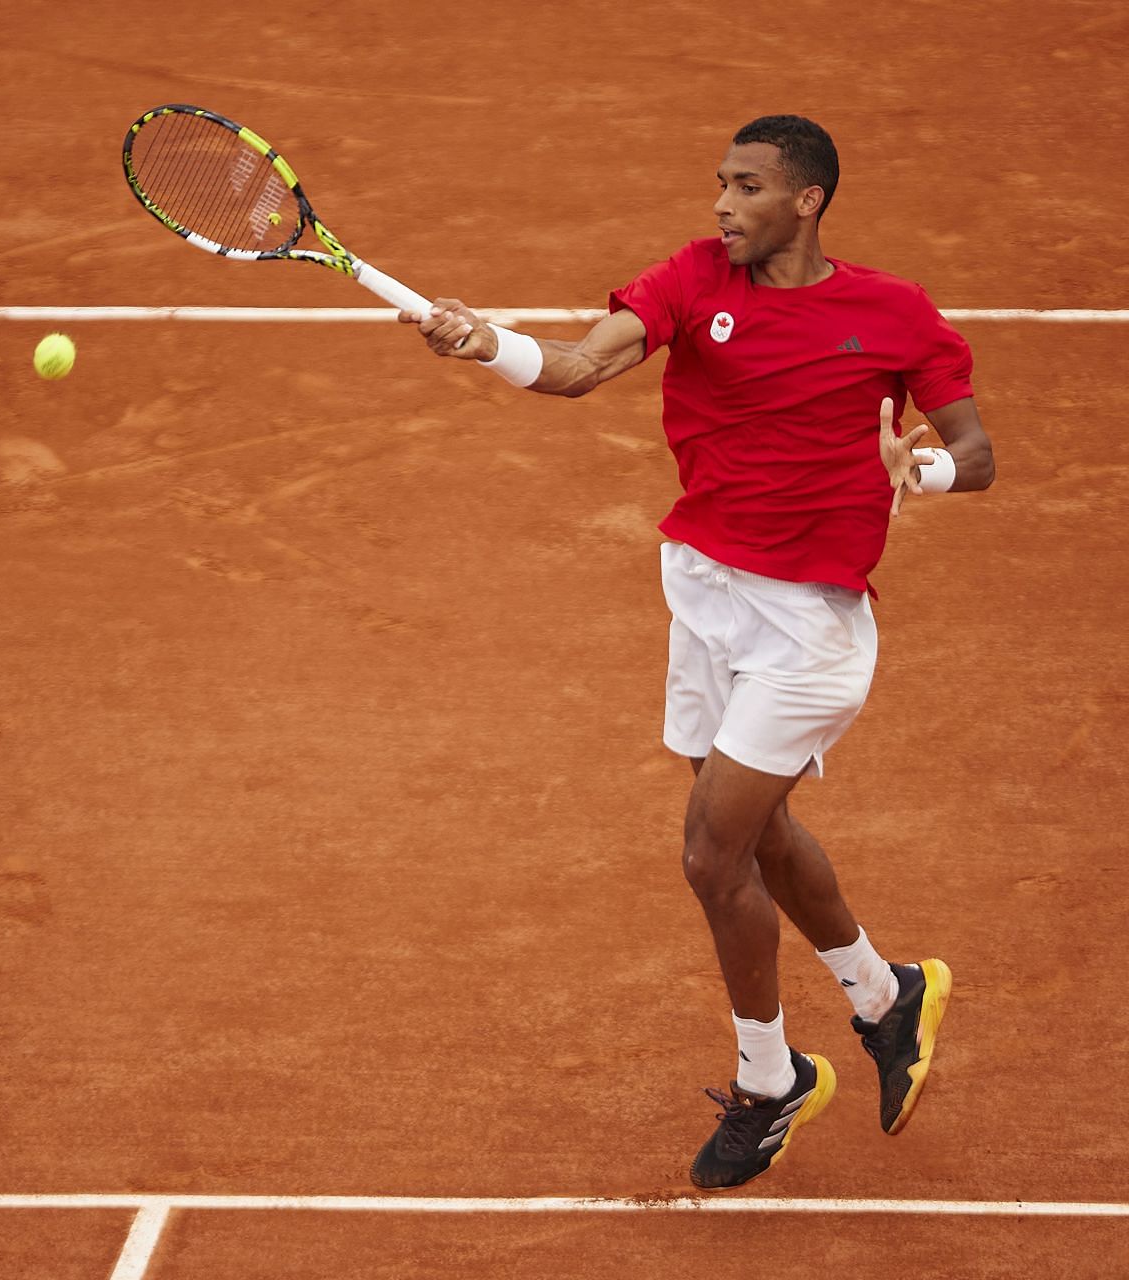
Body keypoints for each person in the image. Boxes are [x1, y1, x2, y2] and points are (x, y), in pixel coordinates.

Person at [399, 115, 993, 1190]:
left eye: (749, 187)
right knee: (758, 837)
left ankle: (772, 1081)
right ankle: (885, 995)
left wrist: (929, 473)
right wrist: (492, 344)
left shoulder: (892, 312)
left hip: (809, 632)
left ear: (805, 200)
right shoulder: (692, 279)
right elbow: (579, 367)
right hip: (705, 595)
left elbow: (978, 452)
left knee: (709, 854)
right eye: (720, 183)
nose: (723, 204)